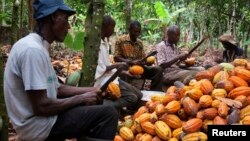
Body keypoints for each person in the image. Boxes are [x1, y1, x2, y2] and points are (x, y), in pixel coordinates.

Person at [3, 0, 118, 141]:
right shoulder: (32, 50)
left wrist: (92, 90)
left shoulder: (38, 46)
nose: (68, 26)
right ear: (53, 17)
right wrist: (81, 98)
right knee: (108, 114)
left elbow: (57, 89)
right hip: (38, 126)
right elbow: (42, 106)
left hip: (43, 120)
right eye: (66, 19)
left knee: (94, 103)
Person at [94, 15, 142, 114]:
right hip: (102, 81)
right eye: (112, 27)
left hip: (111, 77)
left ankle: (117, 106)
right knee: (132, 98)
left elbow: (108, 66)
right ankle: (103, 106)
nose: (113, 30)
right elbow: (101, 69)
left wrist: (124, 72)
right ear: (105, 26)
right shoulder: (96, 44)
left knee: (139, 94)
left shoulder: (105, 42)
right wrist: (118, 65)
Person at [114, 21, 163, 91]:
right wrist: (131, 62)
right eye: (135, 31)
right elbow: (116, 57)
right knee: (123, 67)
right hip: (126, 67)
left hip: (138, 68)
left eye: (139, 32)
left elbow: (143, 59)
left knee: (158, 70)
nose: (137, 34)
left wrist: (146, 62)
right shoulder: (120, 40)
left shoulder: (140, 43)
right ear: (129, 30)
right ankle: (125, 91)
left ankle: (154, 92)